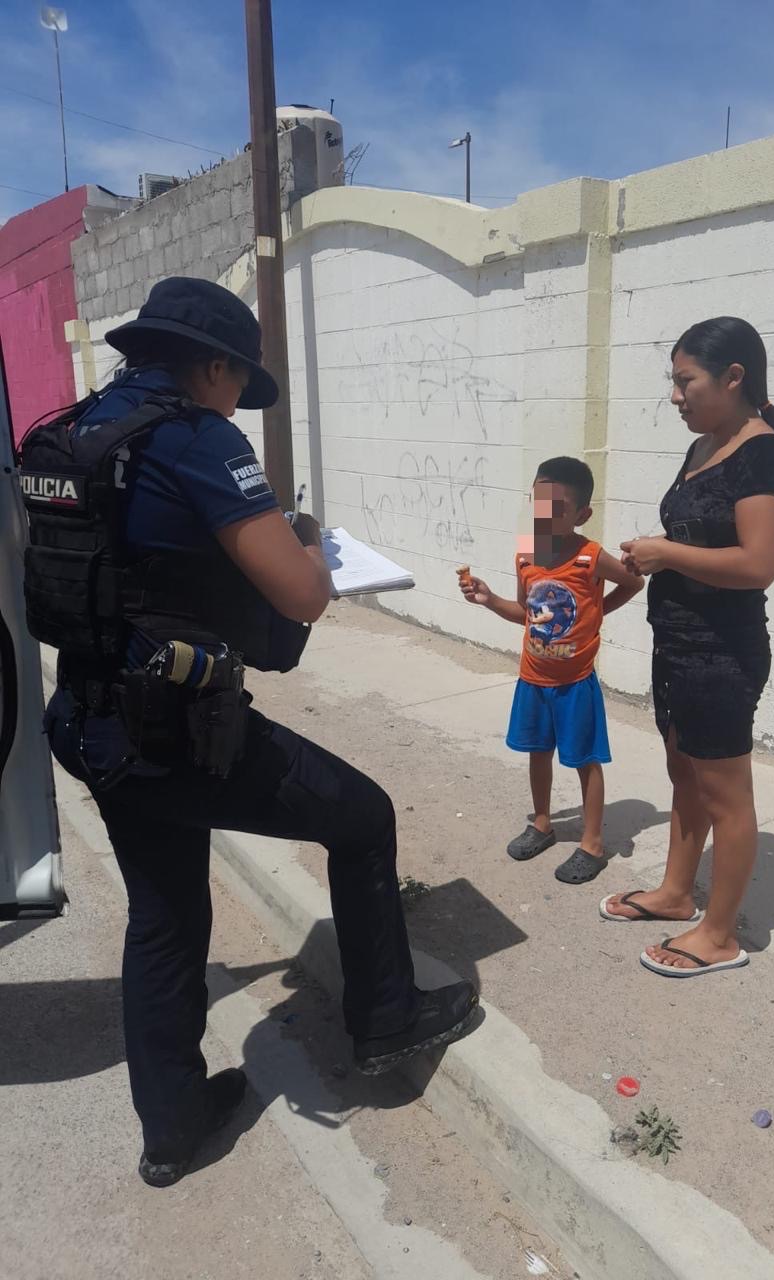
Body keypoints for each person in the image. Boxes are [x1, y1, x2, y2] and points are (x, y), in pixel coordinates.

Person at [22, 277, 477, 1188]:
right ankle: (386, 1020)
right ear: (215, 365)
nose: (238, 403)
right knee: (361, 816)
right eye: (238, 384)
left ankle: (173, 1129)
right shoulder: (193, 438)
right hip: (182, 733)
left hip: (91, 724)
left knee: (163, 914)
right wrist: (308, 540)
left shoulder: (61, 433)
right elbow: (303, 595)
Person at [601, 317, 774, 977]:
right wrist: (642, 561)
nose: (675, 395)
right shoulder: (707, 444)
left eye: (686, 381)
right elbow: (697, 542)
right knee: (684, 775)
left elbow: (756, 564)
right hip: (678, 643)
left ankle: (718, 935)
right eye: (675, 381)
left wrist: (666, 553)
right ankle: (675, 893)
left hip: (722, 651)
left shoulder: (763, 452)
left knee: (726, 795)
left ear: (733, 377)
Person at [459, 457, 644, 884]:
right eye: (538, 503)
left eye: (557, 507)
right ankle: (542, 823)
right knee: (537, 751)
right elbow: (526, 612)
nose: (545, 515)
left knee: (585, 759)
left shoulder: (590, 556)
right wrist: (488, 599)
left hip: (575, 682)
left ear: (582, 515)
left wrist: (598, 613)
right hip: (533, 678)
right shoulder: (527, 554)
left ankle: (593, 843)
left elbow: (633, 583)